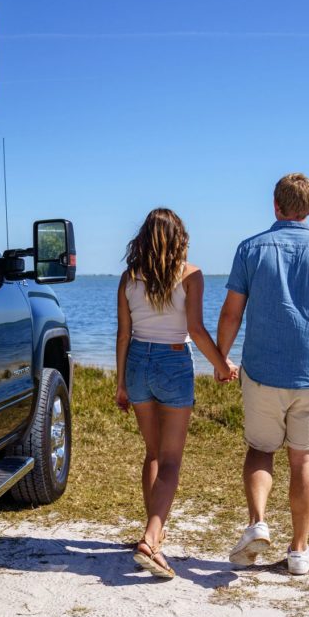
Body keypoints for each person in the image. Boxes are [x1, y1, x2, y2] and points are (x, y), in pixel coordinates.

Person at [216, 172, 309, 575]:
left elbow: (232, 312)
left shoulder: (250, 249)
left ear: (275, 205)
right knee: (302, 460)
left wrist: (220, 358)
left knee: (260, 450)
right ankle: (299, 550)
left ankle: (257, 523)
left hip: (262, 371)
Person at [116, 208, 238, 580]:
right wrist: (222, 364)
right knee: (170, 460)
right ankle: (151, 540)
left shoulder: (128, 278)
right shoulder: (191, 275)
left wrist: (121, 382)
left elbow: (123, 333)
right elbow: (196, 330)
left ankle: (153, 528)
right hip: (172, 362)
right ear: (179, 237)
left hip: (137, 361)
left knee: (153, 454)